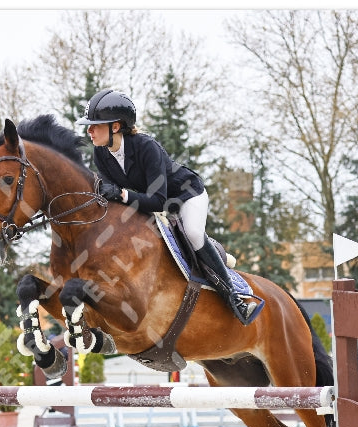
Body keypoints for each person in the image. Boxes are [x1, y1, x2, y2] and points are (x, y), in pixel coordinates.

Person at [76, 88, 258, 325]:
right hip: (150, 204)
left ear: (116, 127)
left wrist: (121, 193)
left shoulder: (146, 147)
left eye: (95, 125)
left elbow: (158, 201)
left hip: (185, 195)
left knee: (193, 234)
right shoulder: (101, 154)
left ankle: (235, 300)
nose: (89, 130)